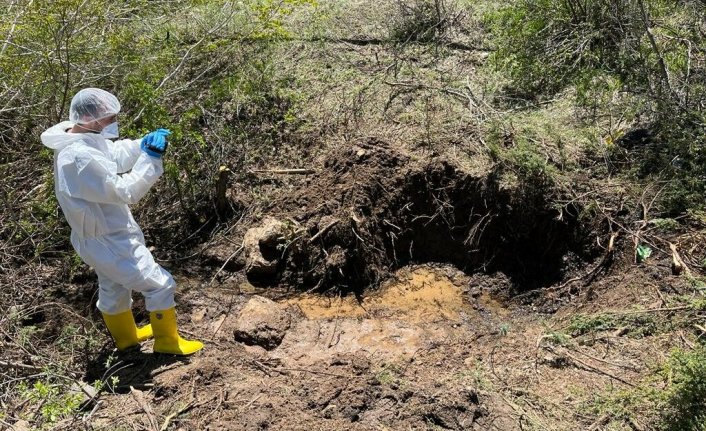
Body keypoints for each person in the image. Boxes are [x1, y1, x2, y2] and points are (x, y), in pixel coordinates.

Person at [40, 88, 202, 355]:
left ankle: (127, 340)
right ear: (92, 119)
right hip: (108, 238)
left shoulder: (82, 137)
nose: (113, 122)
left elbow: (112, 154)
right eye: (109, 118)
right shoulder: (79, 157)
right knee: (159, 283)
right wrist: (151, 158)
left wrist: (141, 143)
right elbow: (126, 191)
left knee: (114, 288)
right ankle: (167, 343)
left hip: (101, 236)